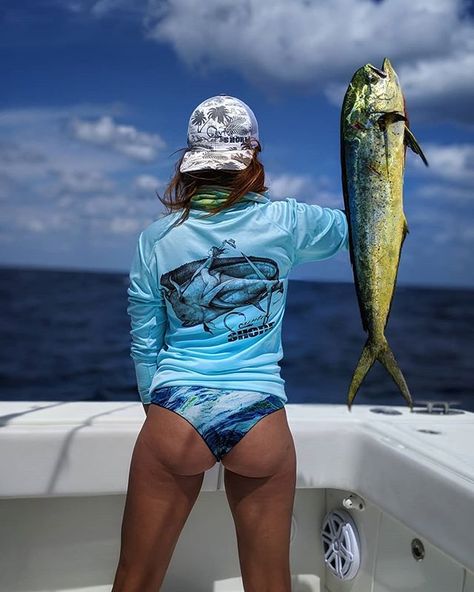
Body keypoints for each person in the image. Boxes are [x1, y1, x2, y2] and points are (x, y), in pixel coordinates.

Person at [112, 94, 349, 592]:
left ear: (190, 162)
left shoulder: (155, 239)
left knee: (135, 579)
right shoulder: (288, 222)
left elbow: (144, 342)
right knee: (269, 583)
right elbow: (367, 227)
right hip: (260, 416)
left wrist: (157, 409)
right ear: (253, 154)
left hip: (176, 412)